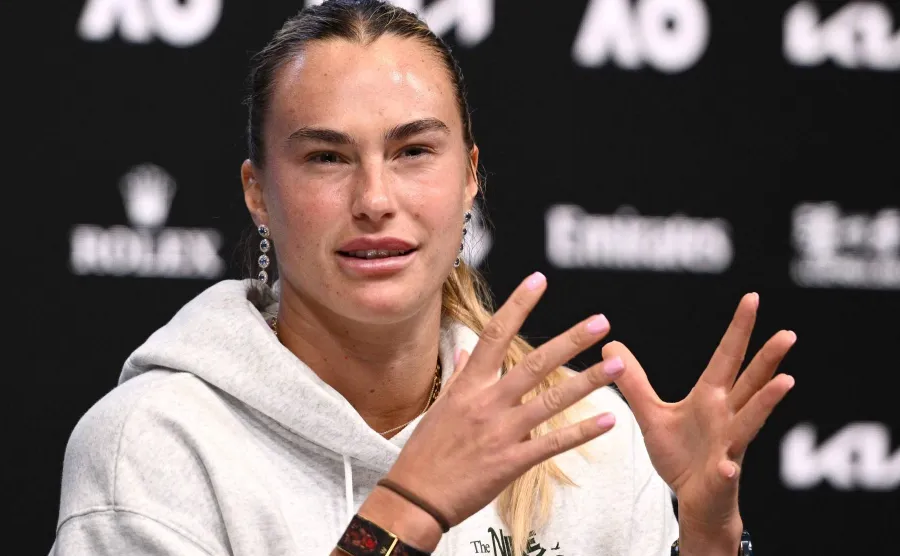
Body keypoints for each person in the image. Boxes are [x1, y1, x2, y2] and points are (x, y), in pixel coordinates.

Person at [48, 1, 796, 555]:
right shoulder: (152, 447)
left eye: (413, 151)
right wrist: (410, 506)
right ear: (257, 193)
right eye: (327, 158)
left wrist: (705, 536)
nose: (375, 200)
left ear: (470, 177)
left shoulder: (579, 439)